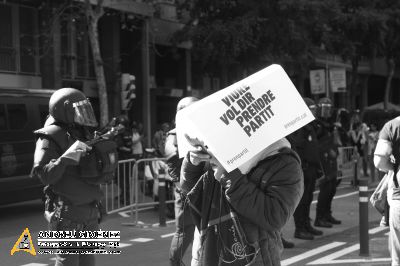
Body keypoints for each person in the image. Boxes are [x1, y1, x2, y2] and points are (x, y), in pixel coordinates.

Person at [180, 136, 303, 264]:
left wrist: (228, 176)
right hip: (207, 248)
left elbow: (275, 215)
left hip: (254, 255)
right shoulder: (218, 146)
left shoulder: (284, 163)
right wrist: (192, 163)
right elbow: (191, 190)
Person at [31, 88, 104, 266]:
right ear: (65, 110)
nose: (83, 113)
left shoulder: (82, 133)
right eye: (78, 109)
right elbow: (44, 175)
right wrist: (64, 160)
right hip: (68, 215)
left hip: (90, 213)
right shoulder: (49, 137)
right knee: (68, 263)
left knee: (88, 262)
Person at [165, 96, 199, 266]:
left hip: (203, 188)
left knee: (201, 231)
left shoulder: (198, 131)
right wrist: (181, 186)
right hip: (186, 190)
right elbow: (170, 158)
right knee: (184, 230)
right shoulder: (174, 134)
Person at [289, 98, 324, 240]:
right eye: (312, 109)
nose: (314, 111)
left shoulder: (311, 126)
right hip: (303, 168)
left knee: (308, 198)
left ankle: (306, 224)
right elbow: (296, 144)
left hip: (311, 168)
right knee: (302, 200)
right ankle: (300, 229)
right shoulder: (298, 126)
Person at [374, 116, 400, 265]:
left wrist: (393, 168)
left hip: (398, 195)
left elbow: (379, 161)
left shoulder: (392, 126)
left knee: (398, 257)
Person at [314, 97, 341, 228]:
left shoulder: (329, 124)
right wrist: (328, 150)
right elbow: (316, 144)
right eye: (324, 108)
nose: (326, 111)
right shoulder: (317, 124)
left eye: (328, 109)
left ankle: (327, 214)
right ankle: (319, 217)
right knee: (325, 189)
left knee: (332, 188)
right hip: (323, 159)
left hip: (332, 158)